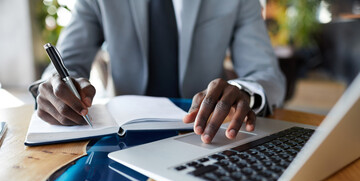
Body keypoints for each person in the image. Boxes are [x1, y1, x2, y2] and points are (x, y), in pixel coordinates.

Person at [32, 0, 285, 144]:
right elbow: (66, 63)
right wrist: (55, 86)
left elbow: (266, 73)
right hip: (118, 140)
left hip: (205, 136)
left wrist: (244, 91)